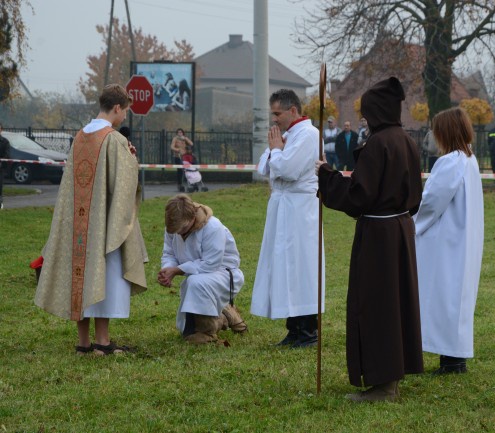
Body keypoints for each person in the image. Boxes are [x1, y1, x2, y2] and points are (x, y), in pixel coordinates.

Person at [316, 77, 423, 402]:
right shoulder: (406, 141)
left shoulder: (379, 144)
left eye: (367, 112)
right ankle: (390, 378)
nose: (364, 118)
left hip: (379, 238)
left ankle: (383, 386)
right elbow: (414, 196)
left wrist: (327, 177)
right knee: (394, 303)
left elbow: (360, 195)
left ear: (377, 111)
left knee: (377, 304)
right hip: (400, 231)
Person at [34, 84, 148, 356]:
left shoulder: (80, 136)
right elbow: (123, 186)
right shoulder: (114, 139)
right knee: (105, 276)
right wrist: (132, 159)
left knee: (80, 278)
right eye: (125, 112)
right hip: (102, 225)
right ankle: (103, 342)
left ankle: (83, 343)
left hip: (77, 224)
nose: (124, 119)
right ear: (117, 107)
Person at [250, 88, 324, 349]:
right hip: (283, 207)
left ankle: (307, 330)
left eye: (278, 113)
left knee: (300, 267)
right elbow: (264, 167)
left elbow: (288, 170)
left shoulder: (309, 135)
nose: (274, 119)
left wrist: (277, 152)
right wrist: (276, 151)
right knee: (284, 266)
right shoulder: (286, 134)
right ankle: (293, 327)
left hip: (300, 210)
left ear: (293, 110)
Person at [413, 107, 484, 376]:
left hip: (446, 242)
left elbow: (431, 203)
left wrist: (411, 225)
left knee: (445, 297)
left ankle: (452, 361)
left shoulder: (450, 162)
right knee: (456, 298)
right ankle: (454, 358)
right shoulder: (468, 159)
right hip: (461, 238)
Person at [159, 194, 246, 344]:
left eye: (183, 228)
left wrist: (177, 270)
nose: (179, 233)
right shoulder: (173, 228)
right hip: (197, 276)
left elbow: (210, 264)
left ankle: (206, 333)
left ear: (193, 216)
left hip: (224, 273)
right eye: (175, 231)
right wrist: (168, 270)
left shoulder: (213, 227)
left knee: (196, 282)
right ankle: (225, 315)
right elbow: (169, 253)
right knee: (184, 328)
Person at [0, 124, 9, 210]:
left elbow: (7, 155)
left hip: (0, 168)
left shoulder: (5, 142)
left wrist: (2, 161)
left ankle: (0, 203)